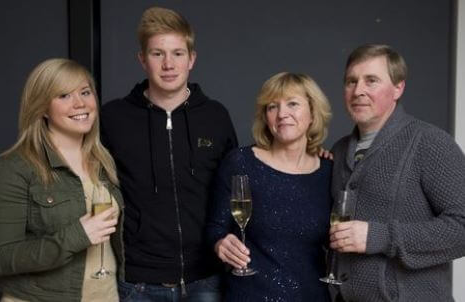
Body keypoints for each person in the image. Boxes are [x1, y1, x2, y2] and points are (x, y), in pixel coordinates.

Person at [100, 6, 238, 301]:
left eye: (177, 53)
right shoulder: (113, 118)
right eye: (157, 53)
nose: (168, 64)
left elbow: (240, 179)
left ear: (192, 59)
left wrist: (308, 151)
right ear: (142, 60)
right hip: (139, 282)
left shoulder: (216, 116)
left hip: (206, 279)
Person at [329, 44, 465, 301]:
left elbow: (462, 228)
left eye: (371, 81)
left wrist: (378, 236)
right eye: (351, 81)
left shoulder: (430, 143)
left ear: (398, 88)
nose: (358, 91)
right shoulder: (338, 151)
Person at [0, 58, 124, 302]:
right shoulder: (13, 169)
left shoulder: (103, 162)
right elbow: (1, 258)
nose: (80, 103)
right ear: (43, 108)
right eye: (64, 96)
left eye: (85, 92)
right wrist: (77, 235)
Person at [206, 72, 333, 301]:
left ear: (313, 113)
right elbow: (215, 227)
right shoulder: (240, 163)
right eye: (272, 107)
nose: (282, 114)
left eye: (292, 104)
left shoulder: (329, 171)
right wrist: (220, 244)